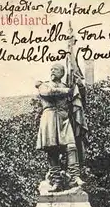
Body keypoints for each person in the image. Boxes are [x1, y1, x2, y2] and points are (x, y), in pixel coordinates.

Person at [36, 63, 85, 192]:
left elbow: (77, 99)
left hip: (63, 118)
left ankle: (75, 177)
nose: (52, 71)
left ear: (62, 73)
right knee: (52, 151)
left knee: (71, 146)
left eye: (56, 70)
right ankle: (56, 181)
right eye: (51, 69)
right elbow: (48, 93)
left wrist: (78, 86)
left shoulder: (67, 86)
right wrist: (66, 91)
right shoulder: (44, 85)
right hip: (50, 118)